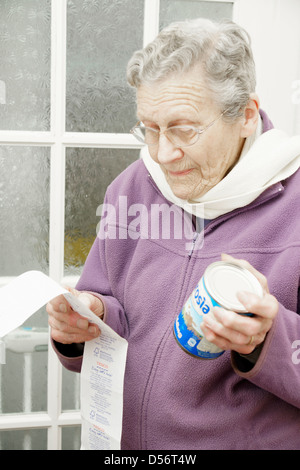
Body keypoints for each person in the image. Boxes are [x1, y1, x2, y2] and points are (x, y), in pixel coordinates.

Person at [47, 18, 300, 450]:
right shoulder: (130, 188)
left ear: (245, 115)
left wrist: (269, 339)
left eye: (183, 129)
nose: (163, 154)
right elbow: (115, 318)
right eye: (149, 128)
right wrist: (87, 320)